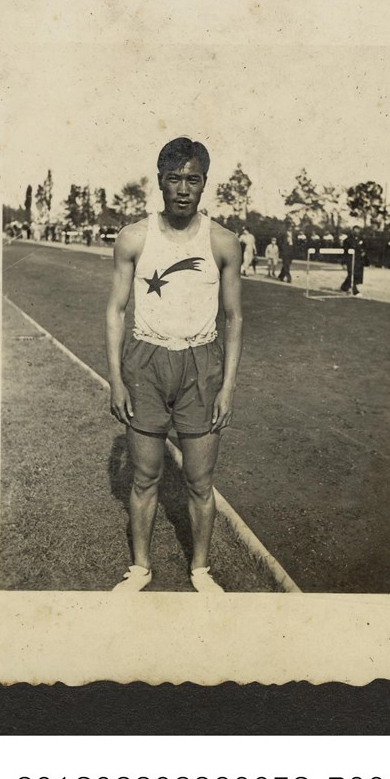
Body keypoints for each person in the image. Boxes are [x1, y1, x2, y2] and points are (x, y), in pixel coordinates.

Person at [106, 137, 243, 593]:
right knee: (145, 476)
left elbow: (234, 317)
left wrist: (227, 388)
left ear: (204, 183)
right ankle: (140, 568)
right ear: (160, 182)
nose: (183, 189)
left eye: (193, 180)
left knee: (200, 481)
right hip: (145, 363)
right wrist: (116, 379)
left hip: (201, 367)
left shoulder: (223, 242)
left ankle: (200, 570)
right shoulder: (134, 237)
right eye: (174, 179)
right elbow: (115, 310)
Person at [340, 226, 369, 295]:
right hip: (350, 259)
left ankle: (344, 287)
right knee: (351, 274)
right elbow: (344, 252)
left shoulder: (361, 239)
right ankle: (355, 290)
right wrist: (343, 263)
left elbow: (365, 247)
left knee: (357, 275)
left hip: (359, 260)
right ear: (352, 231)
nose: (357, 232)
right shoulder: (347, 240)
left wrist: (363, 252)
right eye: (355, 231)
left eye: (358, 231)